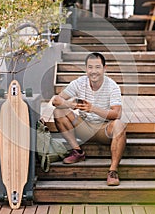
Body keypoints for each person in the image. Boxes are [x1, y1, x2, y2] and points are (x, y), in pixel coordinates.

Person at [52, 52, 126, 186]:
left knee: (120, 125)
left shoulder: (112, 86)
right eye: (90, 67)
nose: (94, 71)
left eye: (97, 67)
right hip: (84, 127)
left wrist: (92, 108)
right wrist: (72, 104)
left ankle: (113, 171)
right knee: (59, 111)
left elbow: (117, 114)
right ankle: (78, 151)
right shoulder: (79, 82)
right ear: (86, 68)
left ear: (104, 68)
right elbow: (56, 100)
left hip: (104, 130)